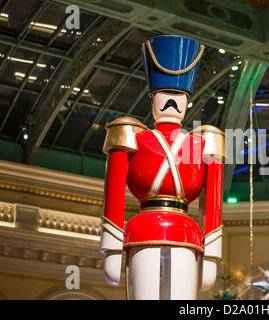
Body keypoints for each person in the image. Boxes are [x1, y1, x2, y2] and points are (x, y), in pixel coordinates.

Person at [99, 35, 225, 300]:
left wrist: (212, 252)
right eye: (164, 95)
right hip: (142, 228)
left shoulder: (202, 141)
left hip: (186, 233)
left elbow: (213, 199)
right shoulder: (131, 134)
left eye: (177, 95)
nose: (171, 102)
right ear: (152, 98)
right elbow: (113, 193)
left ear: (187, 101)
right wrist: (110, 246)